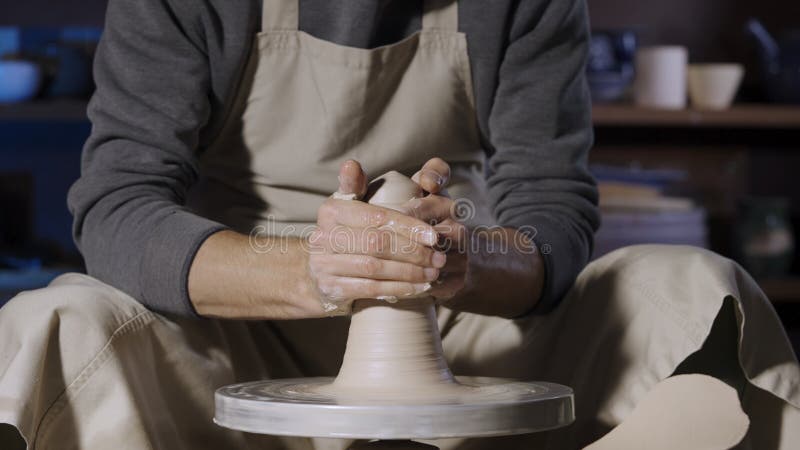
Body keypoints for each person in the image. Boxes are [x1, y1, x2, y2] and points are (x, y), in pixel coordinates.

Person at [0, 0, 798, 449]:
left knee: (700, 292)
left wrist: (466, 260)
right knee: (55, 321)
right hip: (241, 322)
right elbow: (117, 207)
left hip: (466, 308)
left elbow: (552, 208)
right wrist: (317, 268)